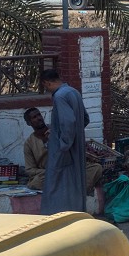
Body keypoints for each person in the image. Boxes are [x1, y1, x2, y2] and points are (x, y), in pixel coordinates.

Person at [40, 68, 89, 214]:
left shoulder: (60, 96)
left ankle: (56, 215)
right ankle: (76, 213)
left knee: (57, 182)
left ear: (47, 83)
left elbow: (68, 122)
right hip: (75, 145)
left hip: (64, 148)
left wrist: (64, 144)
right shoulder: (74, 92)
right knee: (75, 181)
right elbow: (84, 119)